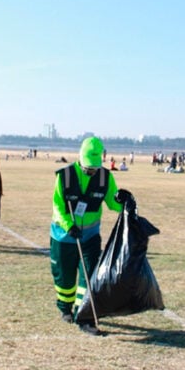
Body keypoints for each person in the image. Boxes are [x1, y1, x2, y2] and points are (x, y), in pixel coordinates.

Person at [50, 136, 125, 334]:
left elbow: (113, 202)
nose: (91, 172)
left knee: (90, 275)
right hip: (64, 236)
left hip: (90, 236)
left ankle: (84, 315)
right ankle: (65, 307)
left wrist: (125, 205)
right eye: (87, 168)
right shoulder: (64, 176)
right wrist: (68, 225)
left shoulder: (105, 177)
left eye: (94, 168)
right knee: (65, 278)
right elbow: (58, 205)